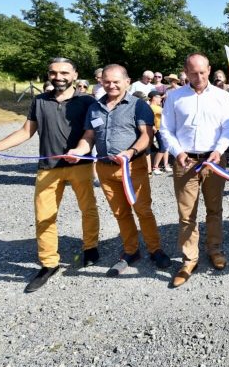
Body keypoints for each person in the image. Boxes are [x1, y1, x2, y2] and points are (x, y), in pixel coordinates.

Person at [0, 57, 100, 293]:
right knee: (44, 216)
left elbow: (91, 134)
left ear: (74, 75)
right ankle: (49, 263)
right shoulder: (39, 100)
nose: (58, 77)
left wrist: (80, 151)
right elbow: (25, 132)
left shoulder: (87, 101)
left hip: (80, 165)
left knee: (88, 209)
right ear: (48, 75)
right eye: (53, 72)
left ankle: (91, 246)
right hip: (48, 168)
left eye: (64, 72)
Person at [65, 64, 171, 276]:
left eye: (116, 81)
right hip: (105, 169)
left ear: (127, 81)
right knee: (120, 213)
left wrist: (130, 152)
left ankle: (155, 249)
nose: (111, 85)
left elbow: (146, 135)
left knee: (143, 210)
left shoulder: (138, 106)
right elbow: (89, 137)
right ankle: (131, 251)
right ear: (101, 82)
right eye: (107, 81)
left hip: (133, 168)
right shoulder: (95, 108)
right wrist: (78, 150)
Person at [160, 53, 229, 288]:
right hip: (186, 162)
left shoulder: (222, 96)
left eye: (203, 72)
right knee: (186, 214)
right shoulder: (174, 97)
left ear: (210, 70)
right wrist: (177, 152)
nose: (199, 76)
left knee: (214, 209)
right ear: (186, 71)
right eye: (194, 72)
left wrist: (219, 150)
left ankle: (214, 249)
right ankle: (189, 258)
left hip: (213, 160)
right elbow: (165, 129)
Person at [149, 90, 171, 174]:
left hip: (162, 129)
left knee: (166, 148)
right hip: (159, 130)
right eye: (159, 97)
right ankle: (155, 167)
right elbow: (167, 113)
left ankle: (166, 165)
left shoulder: (156, 107)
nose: (161, 99)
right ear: (154, 98)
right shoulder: (154, 107)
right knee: (162, 148)